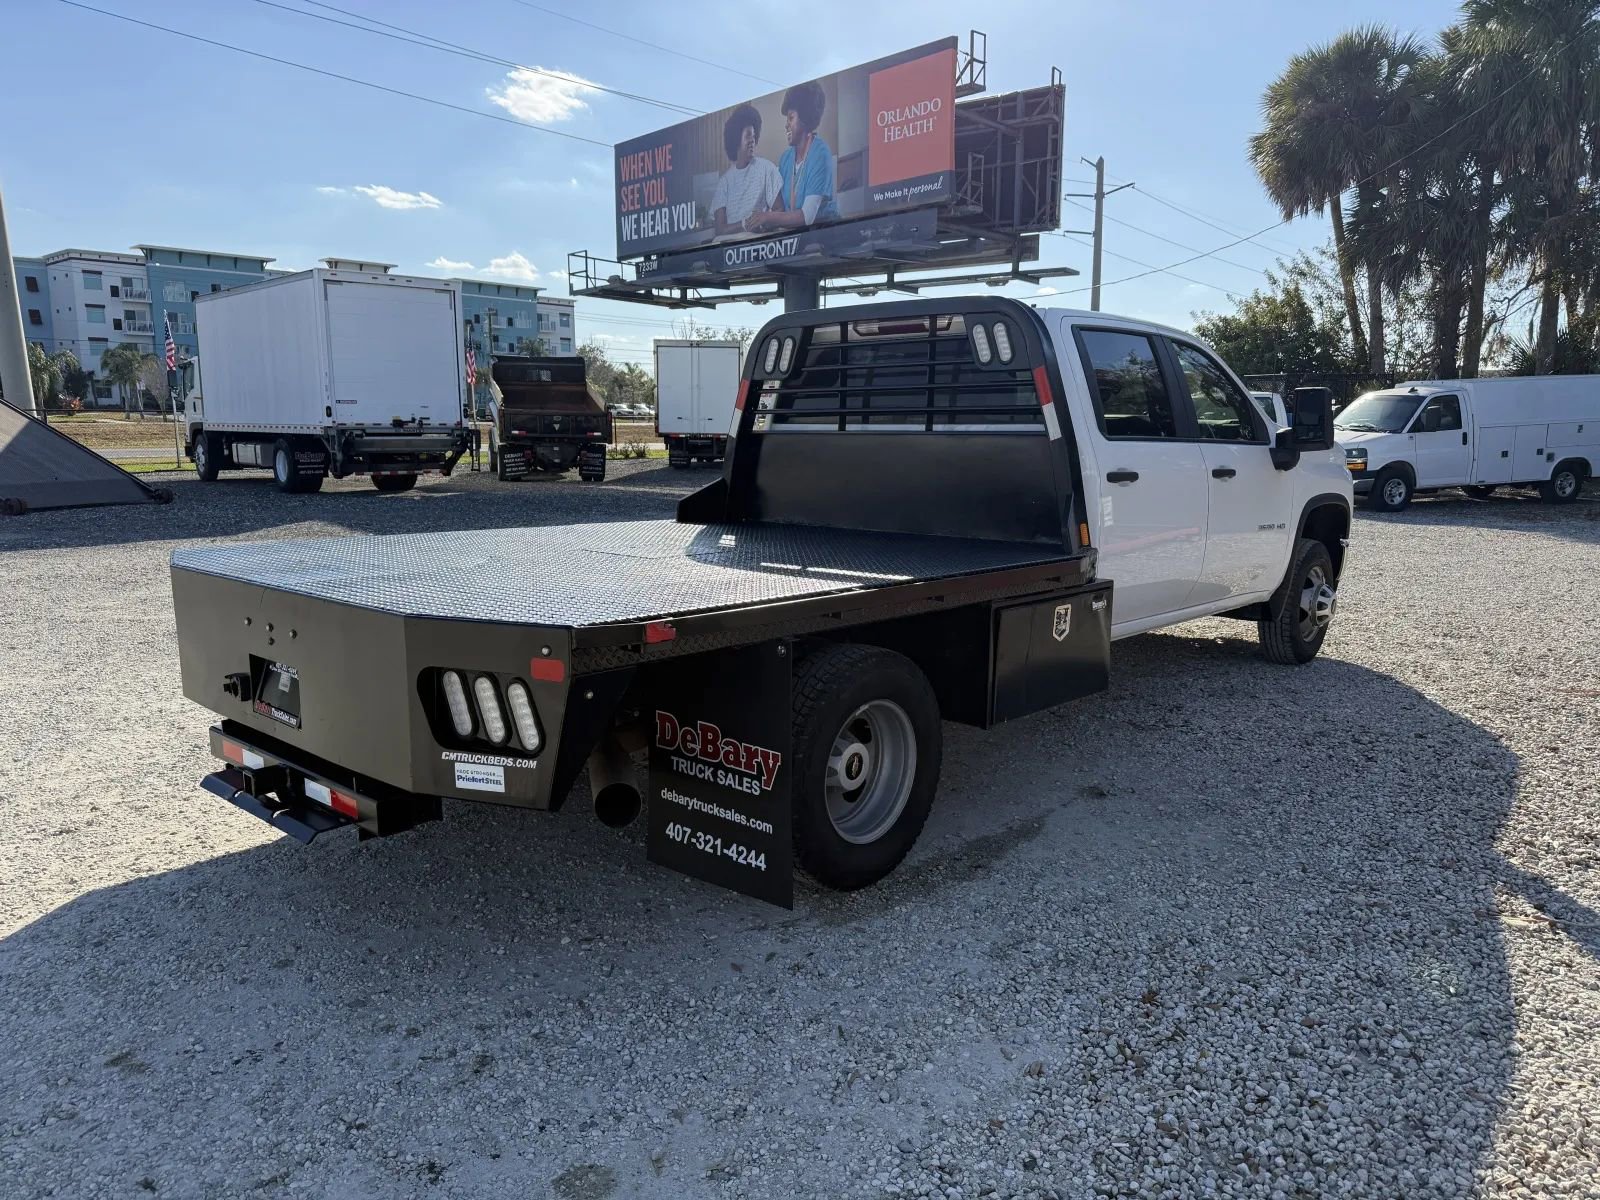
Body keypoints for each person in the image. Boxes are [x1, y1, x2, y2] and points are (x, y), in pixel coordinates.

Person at [749, 81, 838, 231]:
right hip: (795, 238)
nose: (786, 125)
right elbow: (781, 211)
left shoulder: (820, 153)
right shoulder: (785, 159)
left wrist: (768, 218)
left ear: (805, 118)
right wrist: (764, 223)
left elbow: (807, 216)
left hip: (825, 235)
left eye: (790, 118)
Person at [709, 103, 782, 236]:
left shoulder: (767, 169)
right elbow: (719, 230)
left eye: (754, 136)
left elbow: (780, 210)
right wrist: (745, 224)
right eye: (748, 136)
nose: (752, 141)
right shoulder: (724, 183)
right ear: (737, 139)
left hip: (759, 245)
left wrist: (764, 223)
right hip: (728, 249)